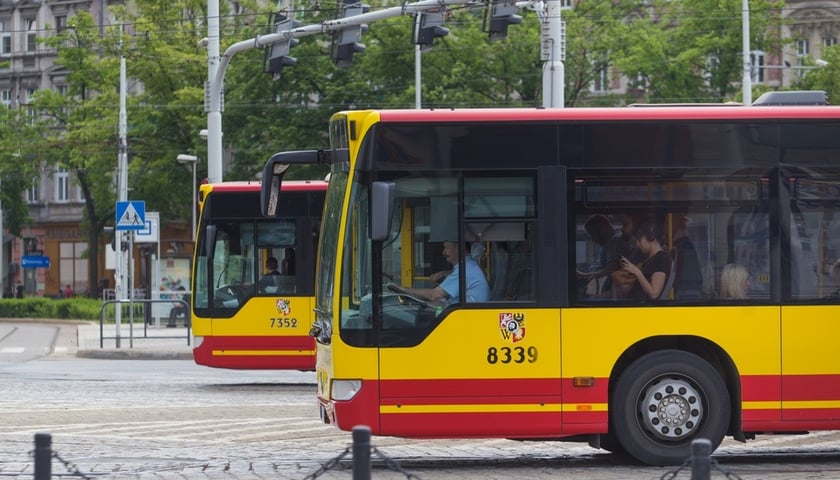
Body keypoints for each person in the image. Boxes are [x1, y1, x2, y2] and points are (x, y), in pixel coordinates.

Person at [393, 241, 490, 306]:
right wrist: (444, 273)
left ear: (460, 248)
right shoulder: (468, 266)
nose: (444, 252)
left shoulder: (465, 270)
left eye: (447, 247)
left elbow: (434, 295)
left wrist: (403, 289)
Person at [618, 221, 671, 301]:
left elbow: (654, 293)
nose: (637, 244)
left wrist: (637, 272)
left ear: (651, 237)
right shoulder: (650, 258)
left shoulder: (661, 259)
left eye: (639, 240)